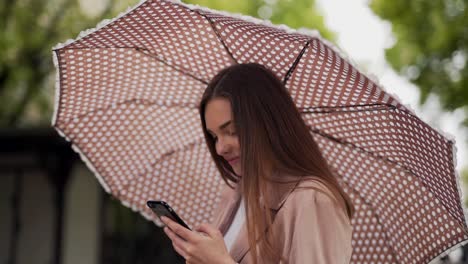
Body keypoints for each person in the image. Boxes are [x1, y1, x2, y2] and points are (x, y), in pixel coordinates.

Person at [160, 63, 355, 264]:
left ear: (268, 124)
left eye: (233, 131)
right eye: (214, 136)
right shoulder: (235, 191)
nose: (220, 149)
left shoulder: (313, 200)